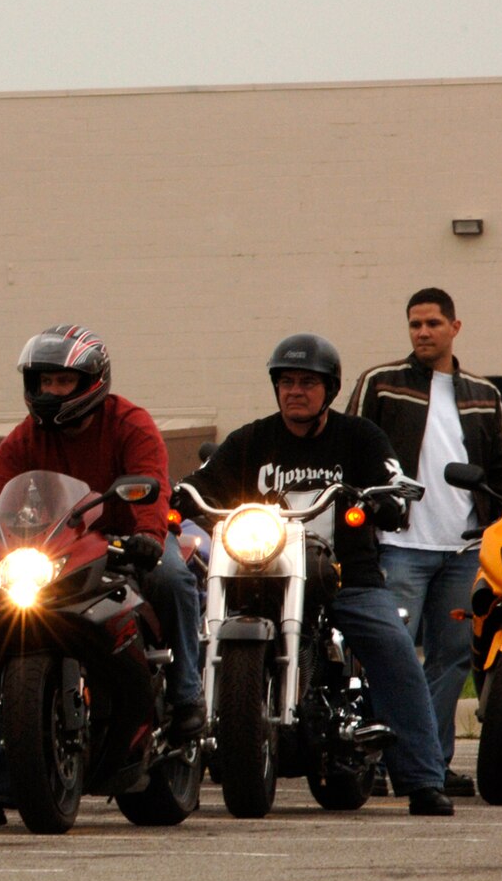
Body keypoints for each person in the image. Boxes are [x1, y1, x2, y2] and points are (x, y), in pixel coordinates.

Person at [0, 325, 203, 829]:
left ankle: (186, 694)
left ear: (92, 382)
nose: (51, 392)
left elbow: (153, 485)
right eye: (44, 381)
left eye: (63, 382)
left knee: (170, 575)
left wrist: (145, 534)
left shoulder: (131, 424)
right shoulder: (24, 437)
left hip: (123, 543)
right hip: (52, 550)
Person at [179, 333, 454, 816]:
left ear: (329, 388)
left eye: (307, 382)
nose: (294, 391)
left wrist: (386, 499)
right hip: (261, 570)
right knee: (199, 627)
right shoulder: (251, 440)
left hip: (346, 573)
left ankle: (423, 778)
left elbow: (390, 479)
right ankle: (181, 748)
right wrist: (181, 493)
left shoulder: (360, 437)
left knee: (392, 647)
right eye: (285, 382)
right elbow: (204, 481)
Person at [348, 287, 502, 798]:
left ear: (454, 328)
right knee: (388, 653)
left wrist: (499, 524)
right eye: (415, 325)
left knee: (453, 659)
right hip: (399, 546)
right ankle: (375, 761)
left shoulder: (484, 393)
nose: (423, 333)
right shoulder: (382, 382)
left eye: (432, 324)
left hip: (463, 551)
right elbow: (351, 452)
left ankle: (430, 764)